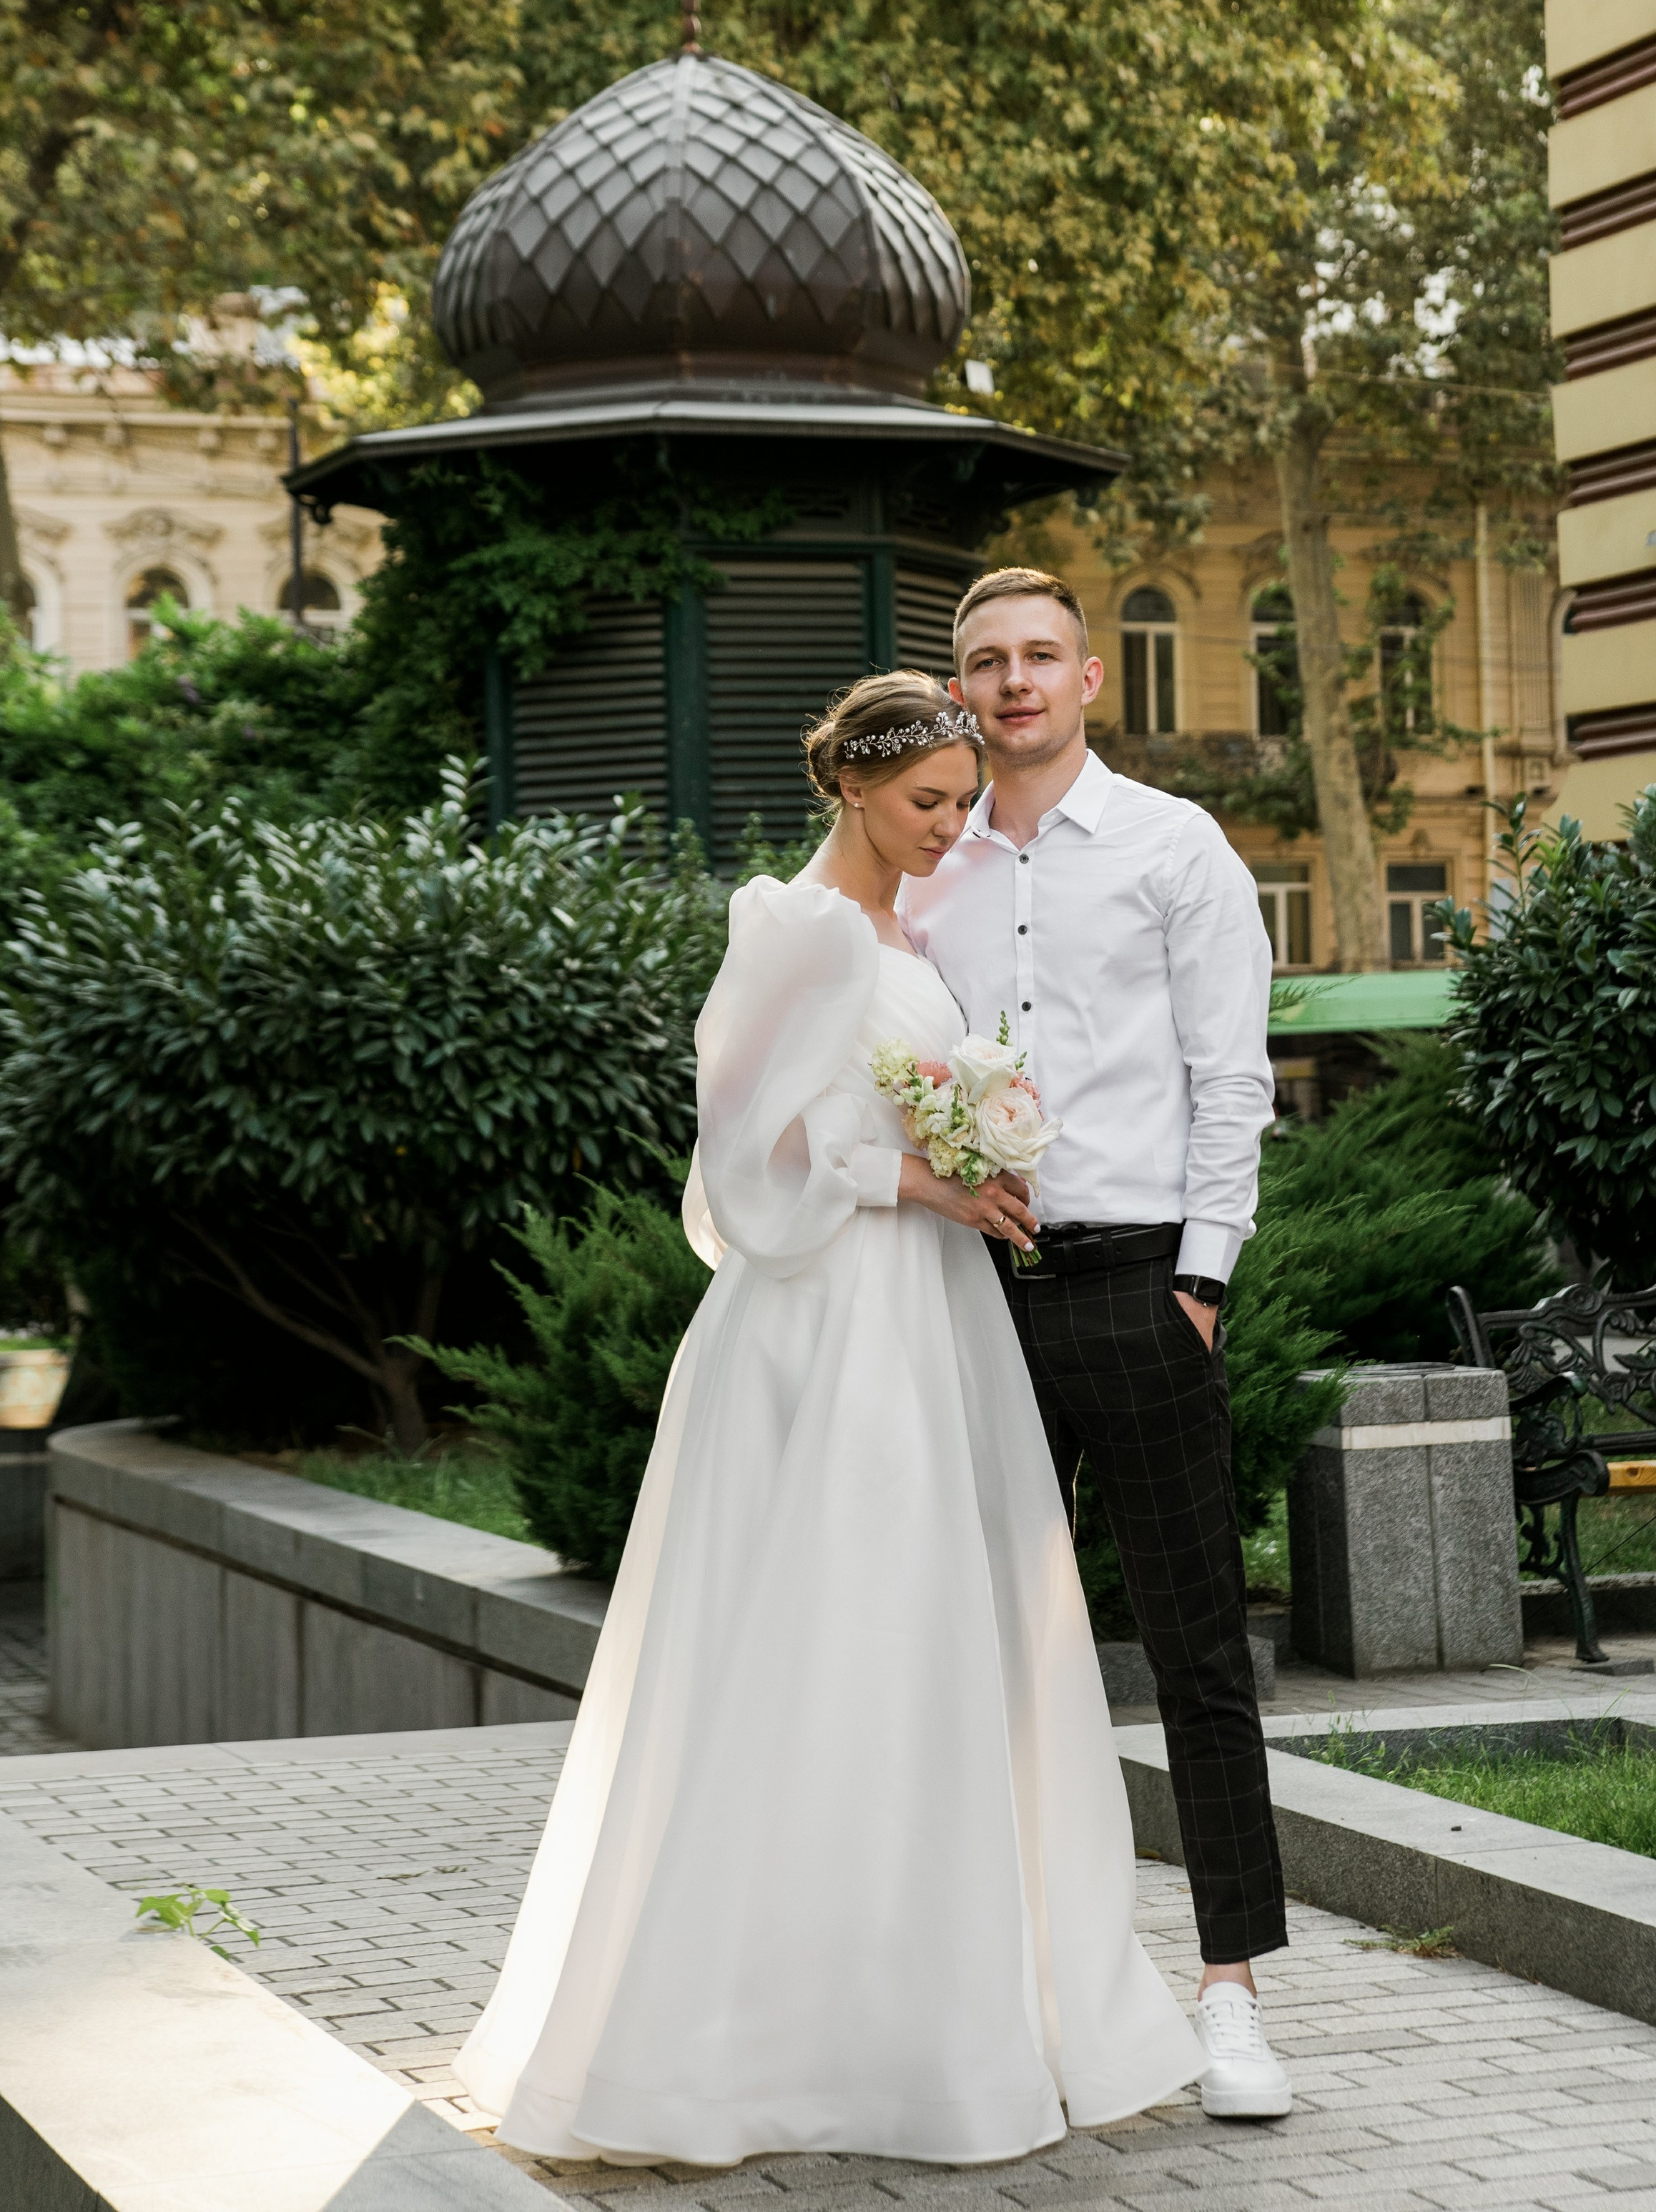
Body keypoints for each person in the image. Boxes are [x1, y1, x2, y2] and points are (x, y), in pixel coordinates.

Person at [456, 668, 1201, 2167]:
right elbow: (742, 1150)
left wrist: (974, 1157)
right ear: (849, 787)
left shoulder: (902, 932)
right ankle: (741, 2043)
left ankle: (927, 2014)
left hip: (927, 1320)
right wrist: (918, 1179)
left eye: (959, 804)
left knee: (930, 1651)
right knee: (822, 1637)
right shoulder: (789, 925)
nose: (947, 826)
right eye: (925, 802)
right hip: (825, 1326)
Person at [901, 566, 1292, 2120]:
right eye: (984, 661)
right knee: (983, 1657)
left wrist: (1200, 1282)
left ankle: (1229, 1999)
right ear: (959, 687)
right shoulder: (922, 869)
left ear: (1085, 682)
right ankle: (1017, 1992)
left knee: (1196, 1652)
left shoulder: (1169, 845)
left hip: (1140, 1289)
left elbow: (1231, 1077)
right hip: (967, 1297)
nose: (1011, 682)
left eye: (1038, 657)